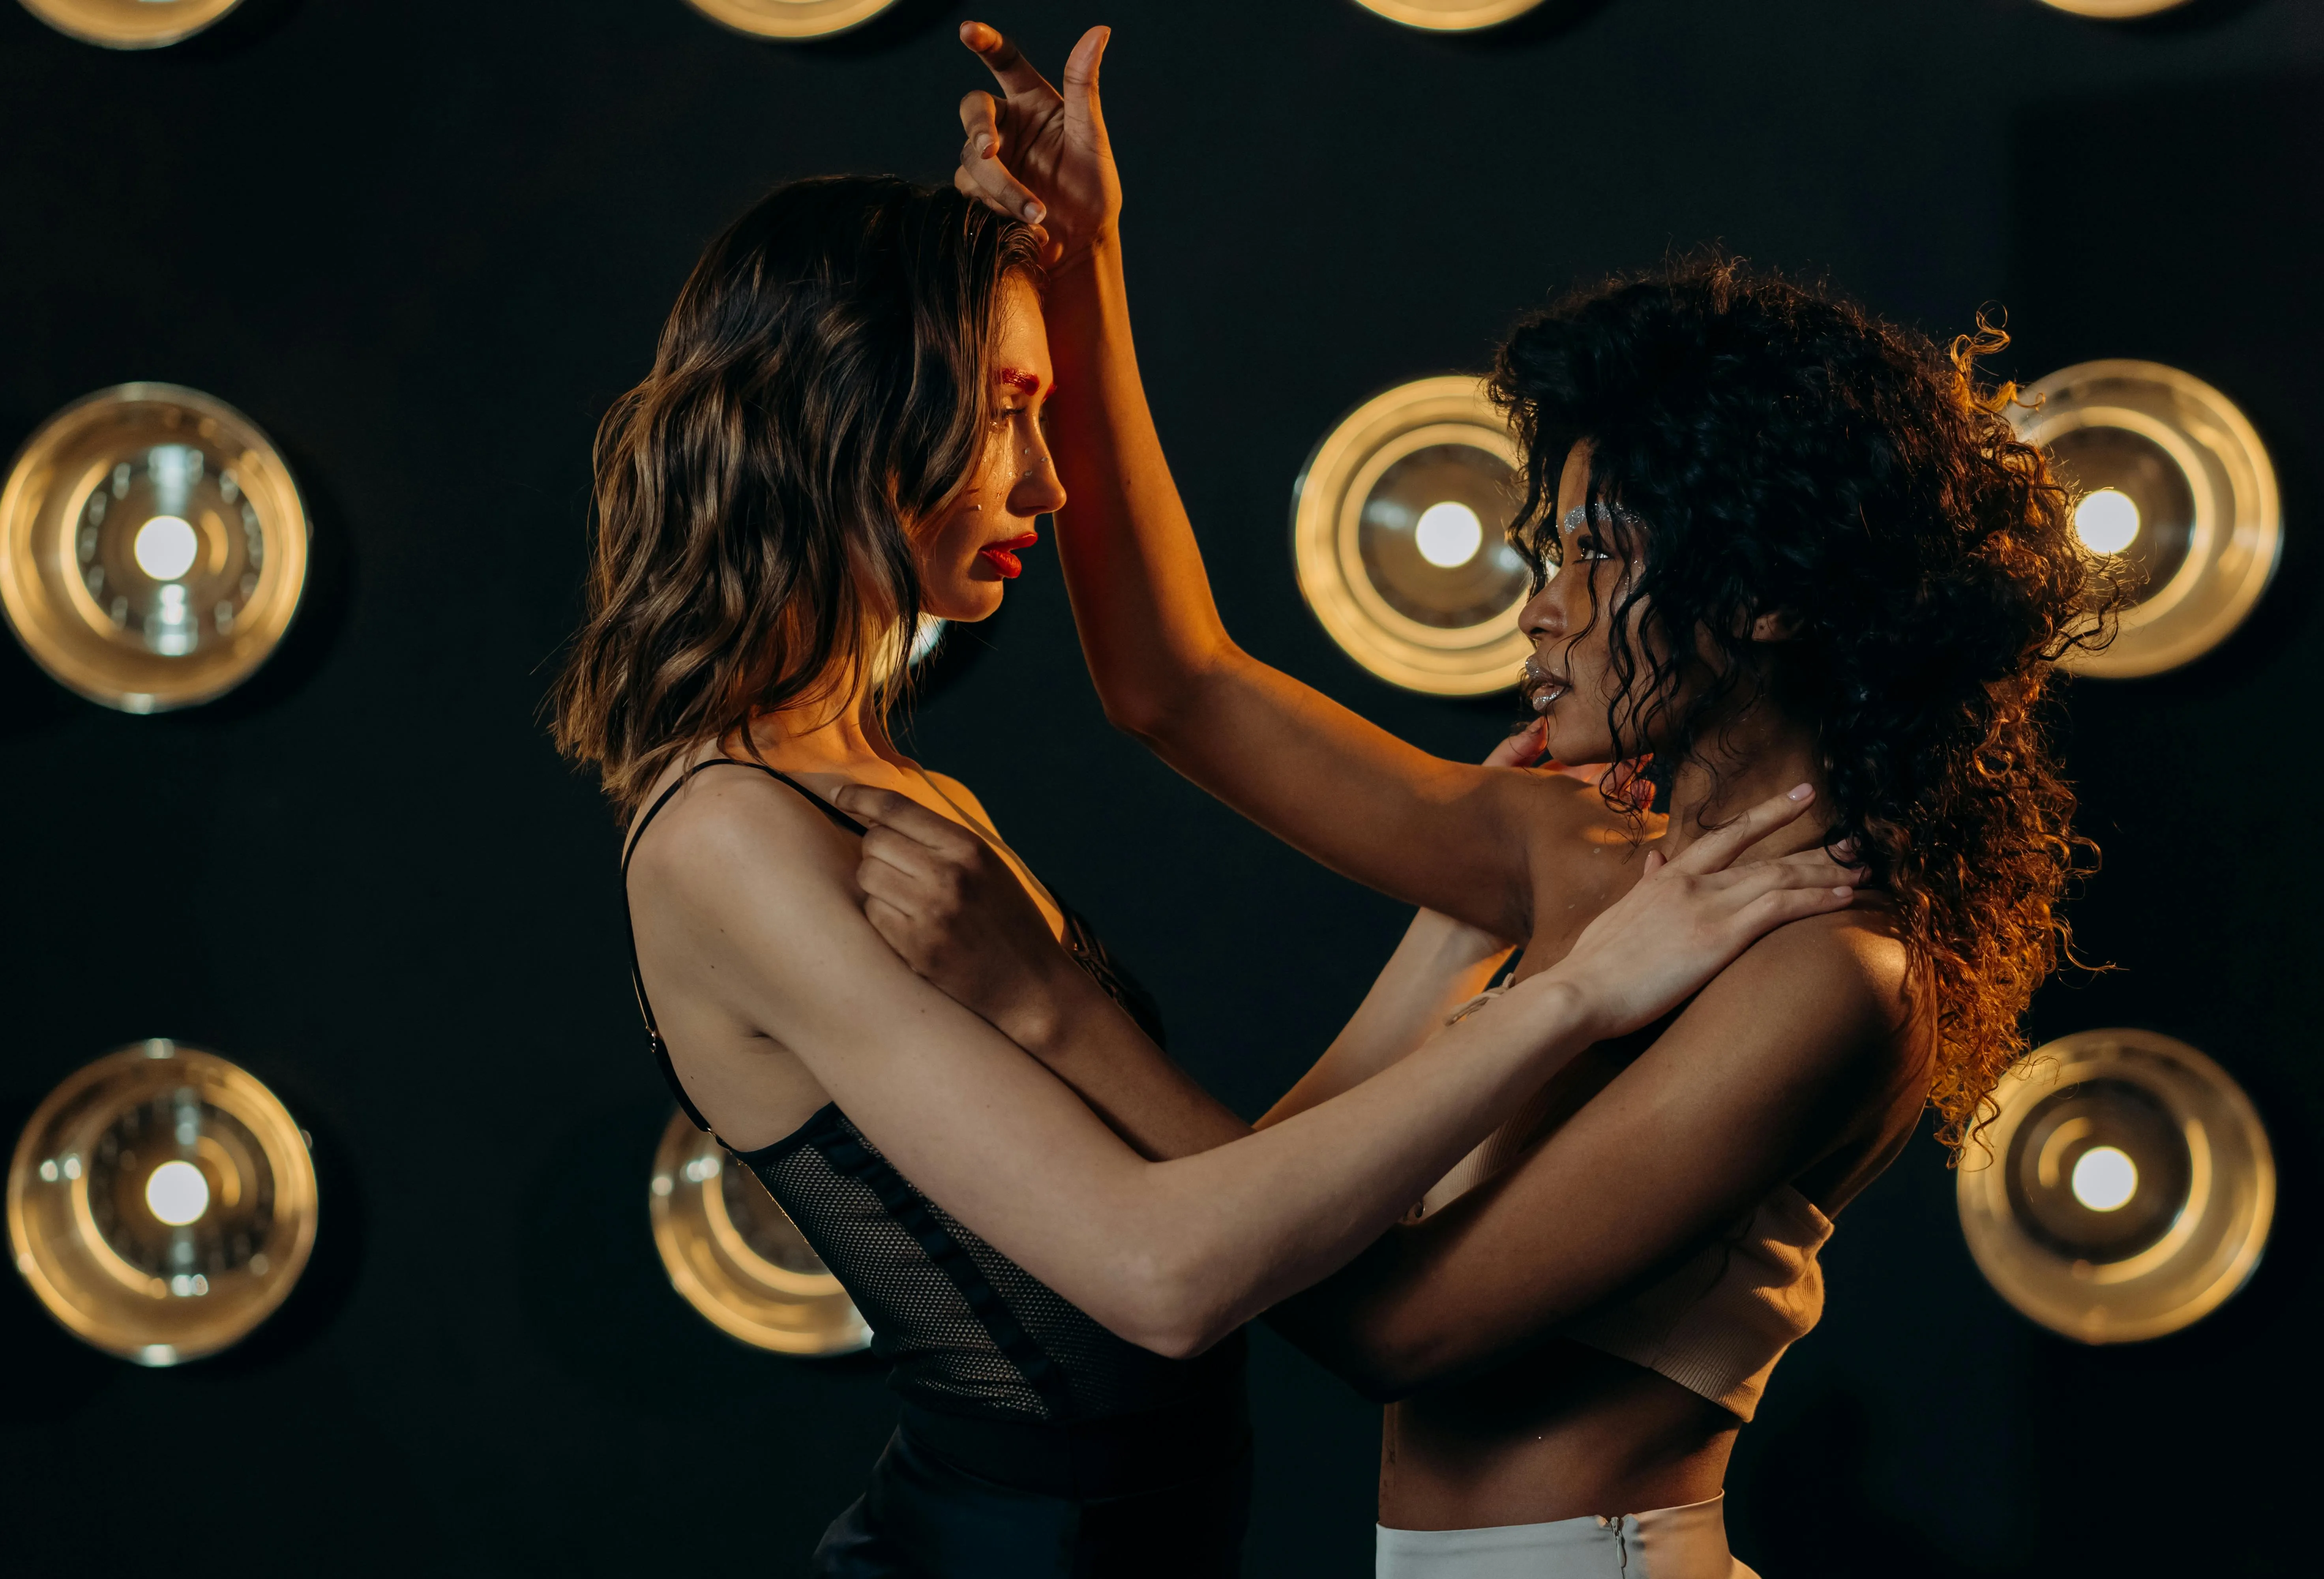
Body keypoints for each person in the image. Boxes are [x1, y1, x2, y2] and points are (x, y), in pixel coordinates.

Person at [834, 23, 2114, 1576]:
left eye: (1595, 554)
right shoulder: (1578, 843)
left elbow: (1396, 1324)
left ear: (1768, 593)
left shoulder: (1830, 975)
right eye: (1544, 546)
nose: (1542, 603)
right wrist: (1088, 257)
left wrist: (1048, 1011)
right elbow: (1174, 687)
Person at [552, 175, 1857, 1576]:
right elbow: (1168, 1278)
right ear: (845, 406)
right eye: (1008, 410)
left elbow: (1236, 1195)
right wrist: (1582, 991)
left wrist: (1448, 940)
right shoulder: (727, 833)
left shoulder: (903, 794)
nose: (1047, 479)